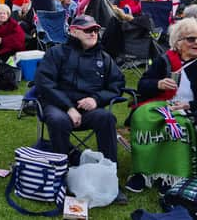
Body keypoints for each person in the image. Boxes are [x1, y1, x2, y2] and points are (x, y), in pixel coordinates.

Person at [34, 14, 126, 203]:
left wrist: (96, 99)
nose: (93, 33)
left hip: (89, 109)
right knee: (58, 120)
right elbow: (44, 83)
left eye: (95, 30)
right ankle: (61, 177)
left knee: (107, 118)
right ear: (74, 31)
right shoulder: (57, 53)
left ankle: (110, 178)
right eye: (88, 30)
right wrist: (68, 107)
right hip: (58, 106)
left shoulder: (104, 57)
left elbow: (117, 85)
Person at [125, 18, 197, 195]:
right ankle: (143, 173)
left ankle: (172, 175)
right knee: (144, 119)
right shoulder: (164, 60)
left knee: (175, 126)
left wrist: (190, 105)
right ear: (178, 42)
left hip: (189, 109)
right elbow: (142, 85)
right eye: (191, 39)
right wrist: (158, 84)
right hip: (160, 104)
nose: (196, 43)